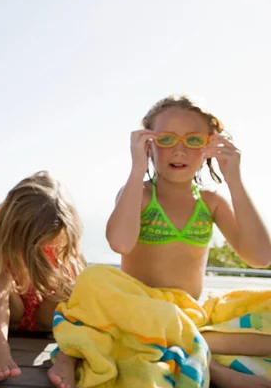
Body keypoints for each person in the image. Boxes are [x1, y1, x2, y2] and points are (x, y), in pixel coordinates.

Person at [50, 94, 271, 388]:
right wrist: (137, 167)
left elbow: (260, 257)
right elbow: (120, 243)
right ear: (148, 144)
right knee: (93, 278)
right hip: (138, 307)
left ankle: (181, 340)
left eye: (193, 140)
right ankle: (211, 363)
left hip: (187, 313)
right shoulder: (139, 195)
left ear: (209, 146)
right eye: (166, 139)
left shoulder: (211, 202)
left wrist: (235, 180)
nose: (179, 150)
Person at [0, 171, 86, 384]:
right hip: (14, 312)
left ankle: (67, 358)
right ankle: (0, 350)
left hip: (49, 317)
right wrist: (0, 348)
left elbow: (78, 300)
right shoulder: (3, 226)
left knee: (76, 290)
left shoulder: (61, 231)